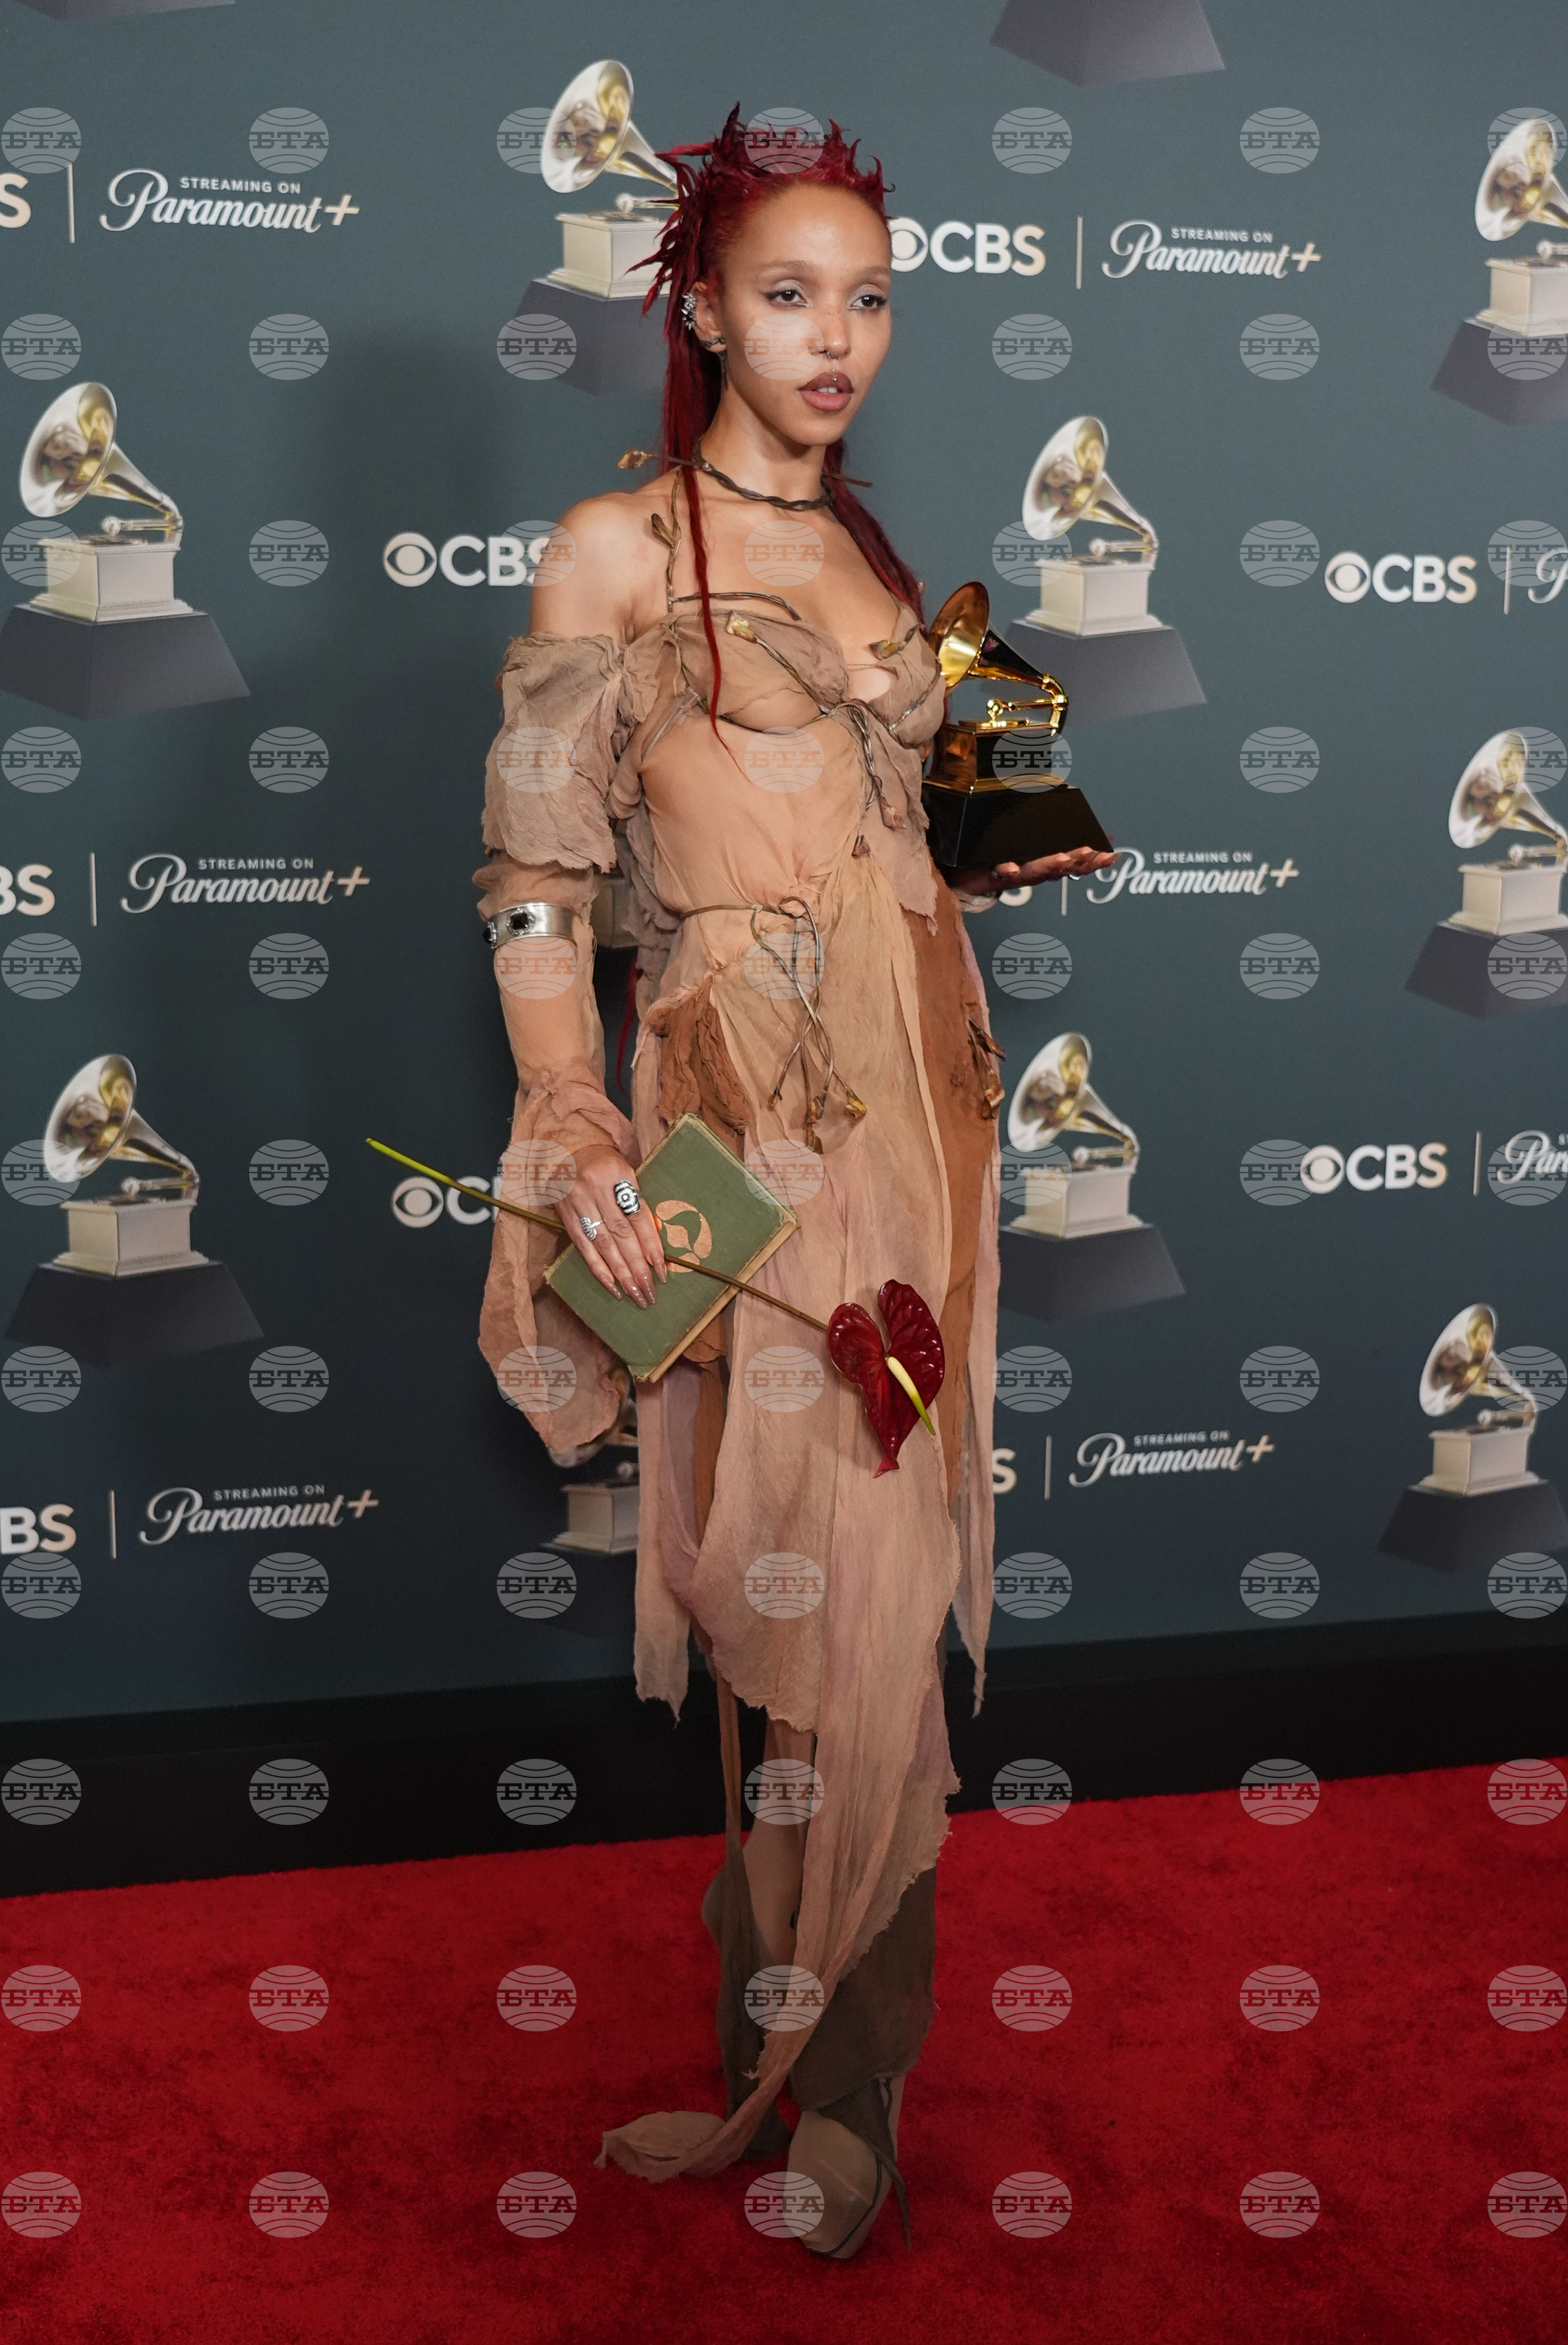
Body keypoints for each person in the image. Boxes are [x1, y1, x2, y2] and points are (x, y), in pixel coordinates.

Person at [474, 107, 1114, 2260]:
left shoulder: (871, 557)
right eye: (787, 295)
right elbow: (543, 886)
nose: (836, 340)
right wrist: (568, 1126)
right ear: (698, 308)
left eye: (869, 298)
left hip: (920, 1137)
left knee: (879, 1622)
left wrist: (1004, 787)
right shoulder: (613, 555)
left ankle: (845, 2097)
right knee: (778, 1620)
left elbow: (918, 857)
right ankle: (777, 2060)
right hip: (739, 1148)